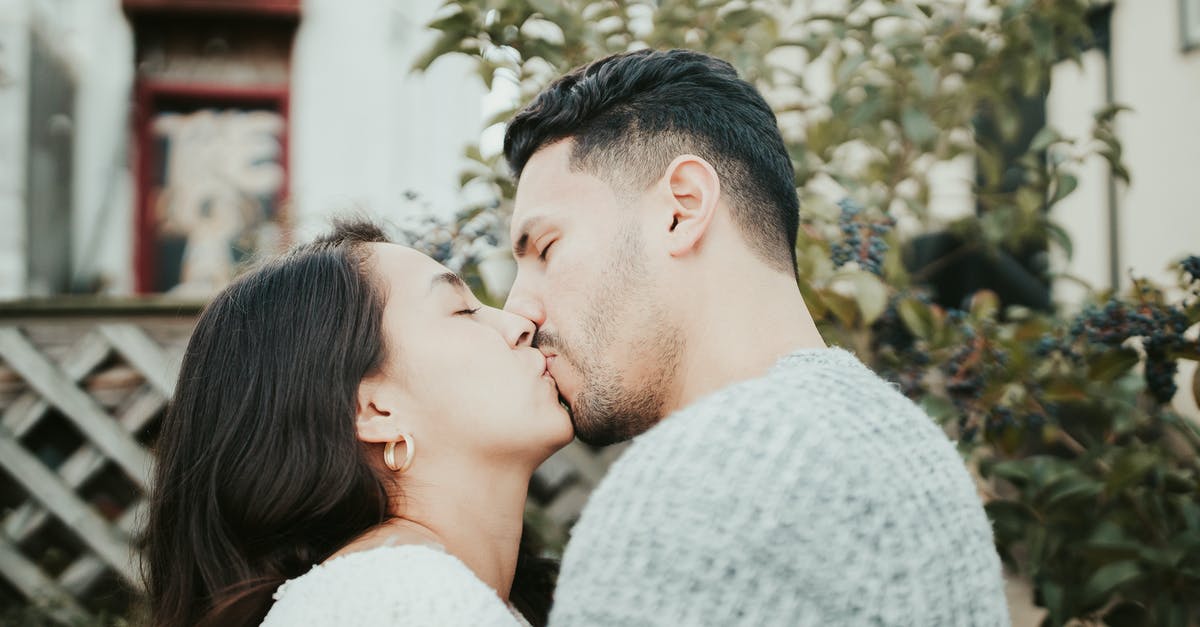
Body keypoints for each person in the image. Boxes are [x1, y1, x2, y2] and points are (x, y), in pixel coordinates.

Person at [502, 48, 1011, 625]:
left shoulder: (701, 480)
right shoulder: (911, 447)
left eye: (546, 249)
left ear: (681, 209)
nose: (519, 309)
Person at [143, 220, 573, 627]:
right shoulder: (396, 601)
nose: (520, 325)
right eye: (463, 310)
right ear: (375, 410)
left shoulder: (412, 593)